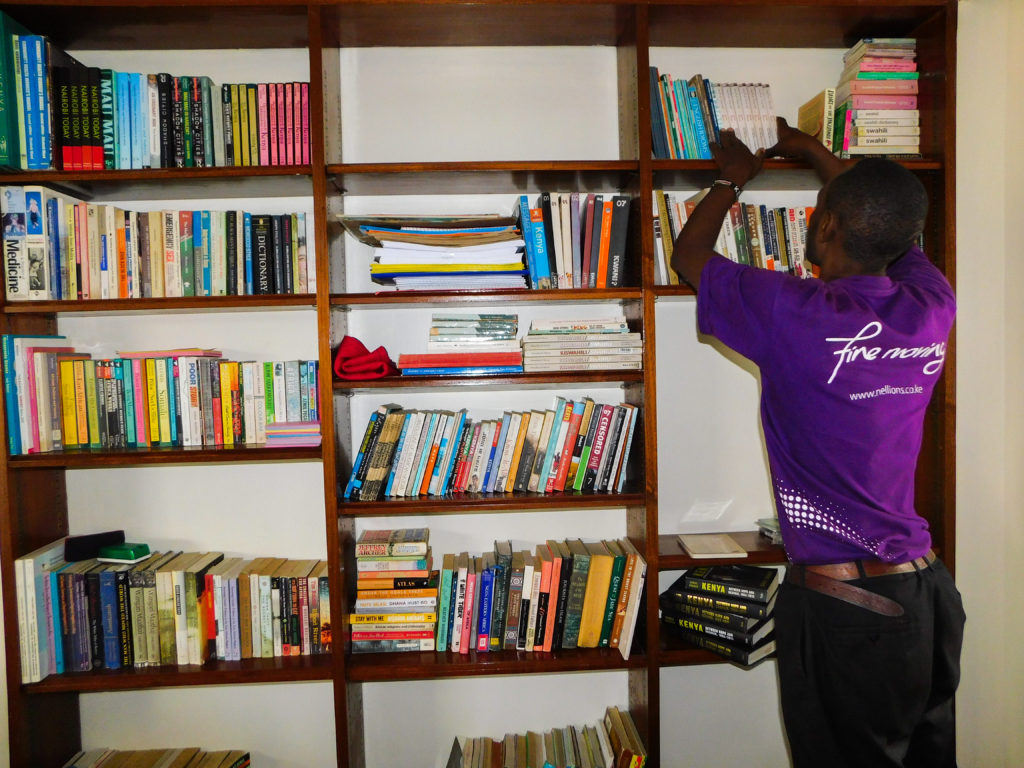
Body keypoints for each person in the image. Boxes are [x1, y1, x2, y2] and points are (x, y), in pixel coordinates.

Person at [670, 119, 965, 768]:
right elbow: (888, 225)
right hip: (929, 597)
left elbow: (688, 258)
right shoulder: (931, 304)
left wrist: (732, 178)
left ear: (825, 224)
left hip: (847, 609)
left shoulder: (794, 311)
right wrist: (815, 155)